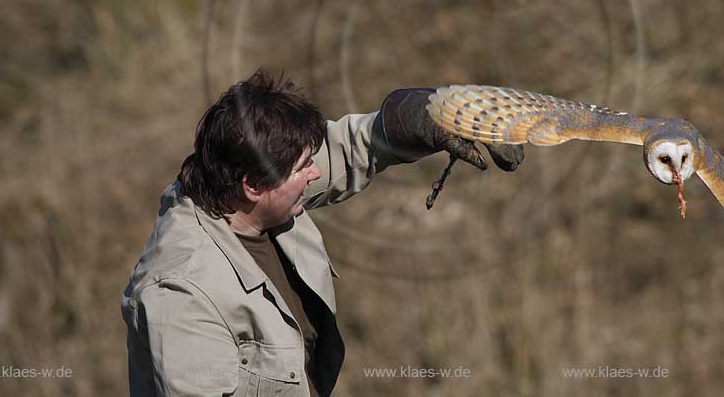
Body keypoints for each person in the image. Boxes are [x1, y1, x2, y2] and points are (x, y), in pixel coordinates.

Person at [121, 69, 523, 396]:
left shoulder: (242, 190)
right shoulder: (181, 294)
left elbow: (351, 147)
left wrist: (430, 116)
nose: (315, 174)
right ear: (253, 186)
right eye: (303, 169)